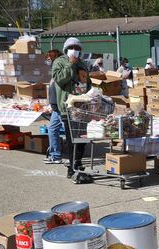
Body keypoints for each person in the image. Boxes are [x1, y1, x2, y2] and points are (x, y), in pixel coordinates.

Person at [51, 37, 92, 180]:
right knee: (71, 138)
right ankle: (71, 165)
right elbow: (59, 79)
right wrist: (70, 65)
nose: (75, 50)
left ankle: (78, 163)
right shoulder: (59, 62)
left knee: (83, 138)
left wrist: (93, 95)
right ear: (66, 49)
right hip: (67, 106)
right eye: (72, 47)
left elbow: (88, 82)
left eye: (78, 48)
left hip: (82, 107)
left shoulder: (83, 63)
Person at [44, 49, 63, 164]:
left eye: (49, 58)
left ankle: (74, 155)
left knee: (69, 131)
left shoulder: (59, 71)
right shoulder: (54, 72)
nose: (47, 61)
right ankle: (55, 156)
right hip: (56, 107)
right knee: (52, 129)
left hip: (60, 107)